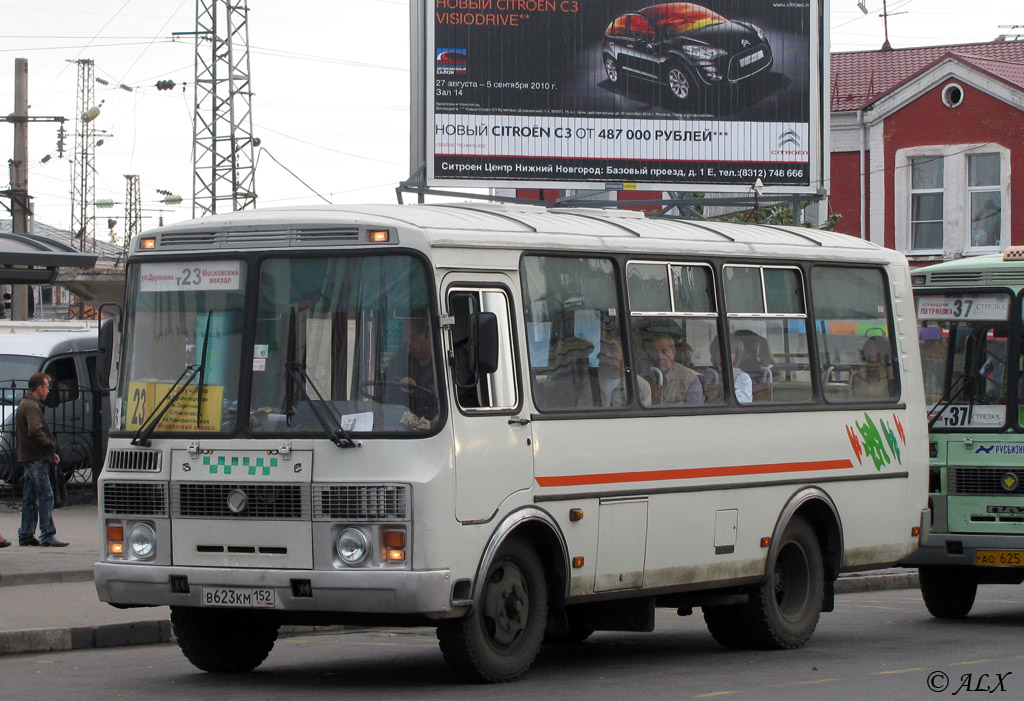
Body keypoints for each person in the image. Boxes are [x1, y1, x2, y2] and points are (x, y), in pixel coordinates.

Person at [16, 372, 68, 547]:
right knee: (46, 495)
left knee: (30, 496)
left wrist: (49, 452)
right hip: (35, 456)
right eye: (47, 387)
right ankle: (47, 534)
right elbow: (35, 431)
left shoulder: (28, 403)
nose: (48, 391)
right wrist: (49, 446)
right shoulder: (31, 406)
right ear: (39, 388)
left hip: (31, 455)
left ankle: (26, 534)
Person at [643, 332, 704, 406]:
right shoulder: (643, 375)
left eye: (664, 351)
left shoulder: (690, 378)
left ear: (673, 352)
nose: (660, 357)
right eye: (655, 352)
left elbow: (694, 412)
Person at [597, 336, 651, 407]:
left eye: (612, 350)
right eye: (604, 350)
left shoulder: (640, 386)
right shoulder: (594, 382)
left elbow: (641, 417)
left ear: (624, 355)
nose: (607, 354)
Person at [729, 335, 753, 404]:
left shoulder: (742, 378)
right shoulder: (709, 373)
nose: (723, 354)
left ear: (737, 356)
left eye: (730, 352)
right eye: (719, 350)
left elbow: (744, 404)